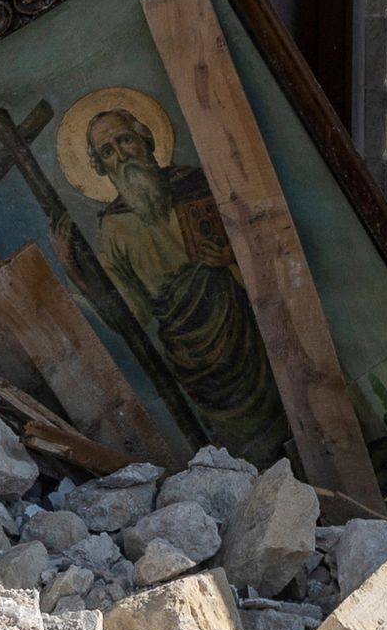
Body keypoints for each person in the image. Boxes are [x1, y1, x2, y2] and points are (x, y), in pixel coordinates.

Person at [80, 105, 288, 464]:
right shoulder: (113, 228)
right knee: (250, 453)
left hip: (251, 337)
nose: (121, 156)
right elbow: (134, 313)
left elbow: (267, 246)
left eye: (125, 139)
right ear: (101, 168)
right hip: (198, 364)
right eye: (108, 152)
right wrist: (76, 270)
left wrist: (230, 258)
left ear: (145, 137)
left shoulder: (199, 185)